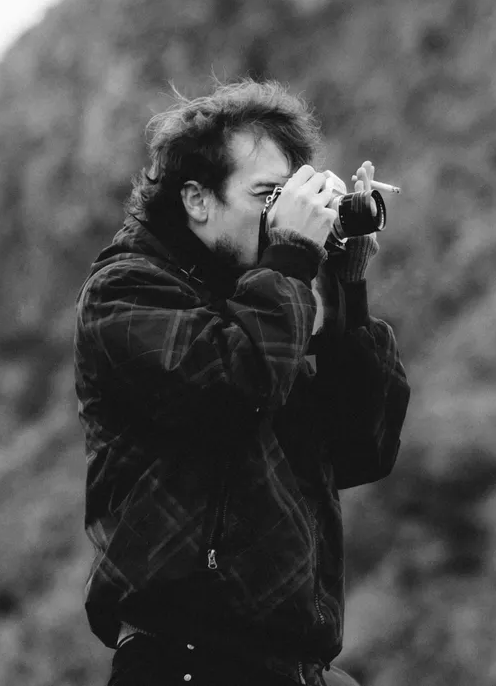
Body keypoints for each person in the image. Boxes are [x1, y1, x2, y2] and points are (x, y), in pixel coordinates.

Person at [73, 79, 410, 686]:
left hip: (298, 666)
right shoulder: (124, 294)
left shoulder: (270, 299)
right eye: (266, 195)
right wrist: (290, 259)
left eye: (292, 196)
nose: (286, 215)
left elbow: (364, 447)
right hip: (187, 660)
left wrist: (345, 288)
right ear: (198, 200)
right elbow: (237, 385)